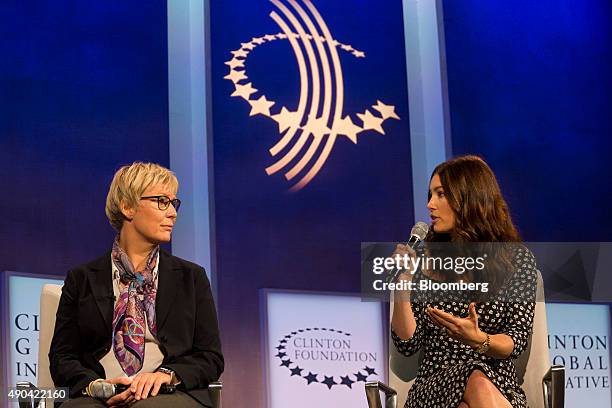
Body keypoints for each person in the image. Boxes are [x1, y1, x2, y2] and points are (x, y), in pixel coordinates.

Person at [49, 162, 223, 407]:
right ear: (128, 207)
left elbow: (210, 357)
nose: (172, 212)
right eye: (162, 201)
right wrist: (95, 386)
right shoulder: (82, 278)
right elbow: (62, 357)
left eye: (174, 203)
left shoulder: (191, 277)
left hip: (169, 394)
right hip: (98, 395)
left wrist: (166, 375)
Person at [391, 155, 537, 408]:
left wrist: (479, 339)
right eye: (430, 195)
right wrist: (403, 281)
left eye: (440, 195)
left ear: (469, 198)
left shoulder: (516, 259)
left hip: (498, 384)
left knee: (475, 388)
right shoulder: (423, 259)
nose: (429, 205)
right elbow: (407, 343)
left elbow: (516, 339)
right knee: (476, 382)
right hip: (434, 384)